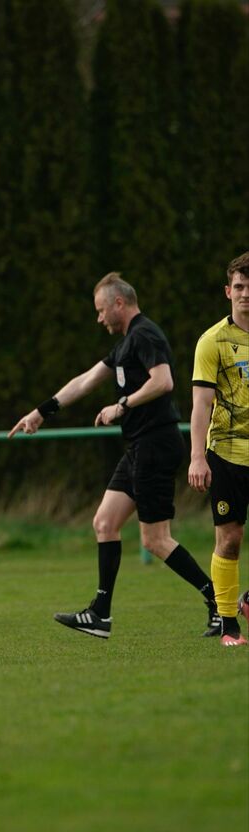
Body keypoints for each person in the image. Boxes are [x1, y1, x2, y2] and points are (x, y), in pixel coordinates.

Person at [9, 271, 220, 639]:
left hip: (156, 445)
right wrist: (41, 412)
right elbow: (85, 380)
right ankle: (100, 615)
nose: (99, 318)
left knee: (155, 540)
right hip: (139, 447)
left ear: (119, 303)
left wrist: (122, 404)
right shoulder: (125, 345)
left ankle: (219, 602)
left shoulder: (145, 334)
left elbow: (164, 381)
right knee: (105, 523)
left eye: (101, 310)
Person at [188, 252, 249, 647]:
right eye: (239, 287)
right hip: (226, 454)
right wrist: (197, 456)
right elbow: (201, 405)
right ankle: (229, 627)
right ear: (228, 291)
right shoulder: (213, 341)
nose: (245, 294)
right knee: (230, 540)